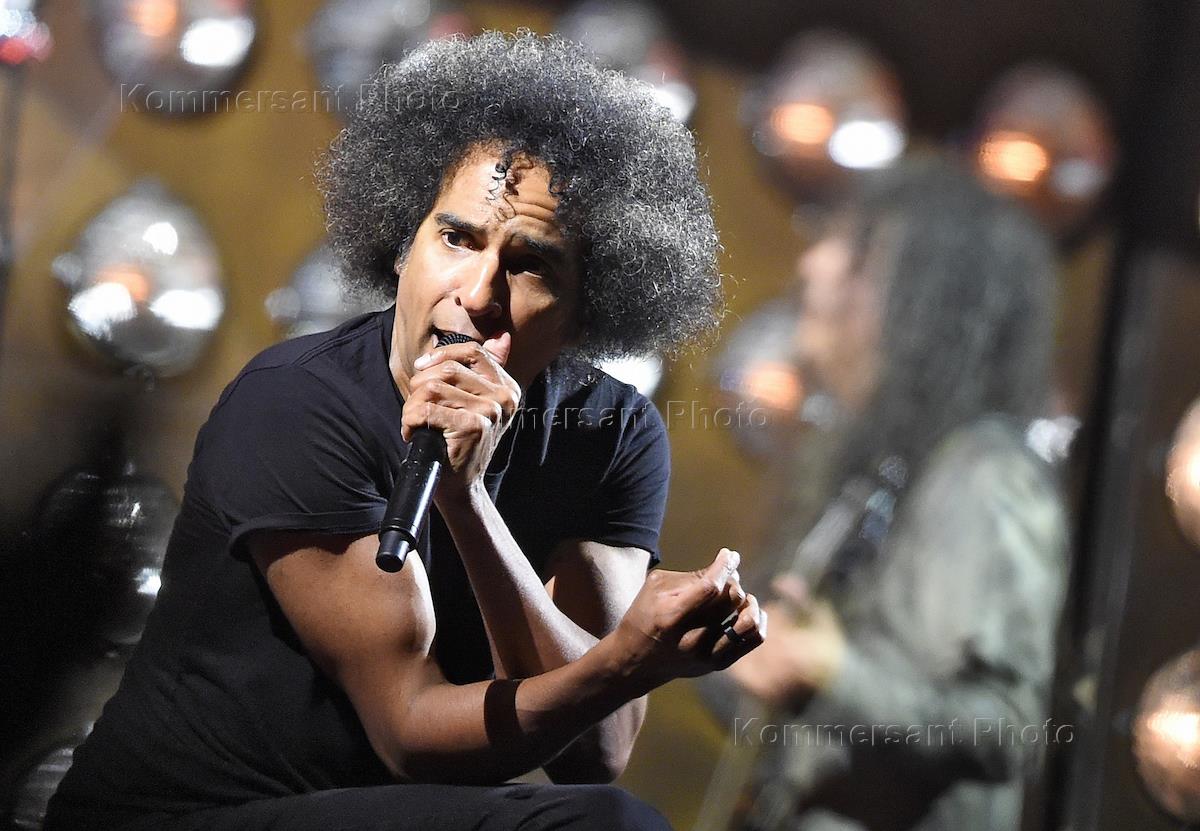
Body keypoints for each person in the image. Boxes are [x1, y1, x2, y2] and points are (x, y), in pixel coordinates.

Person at [46, 32, 765, 831]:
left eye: (530, 265)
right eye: (457, 238)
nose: (478, 292)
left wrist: (472, 505)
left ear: (583, 314)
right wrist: (627, 656)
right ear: (402, 246)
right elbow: (411, 732)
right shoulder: (295, 403)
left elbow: (593, 751)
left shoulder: (611, 434)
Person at [722, 157, 1069, 830]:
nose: (814, 264)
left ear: (923, 297)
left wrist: (832, 673)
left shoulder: (988, 476)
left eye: (857, 252)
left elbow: (1009, 731)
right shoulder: (877, 462)